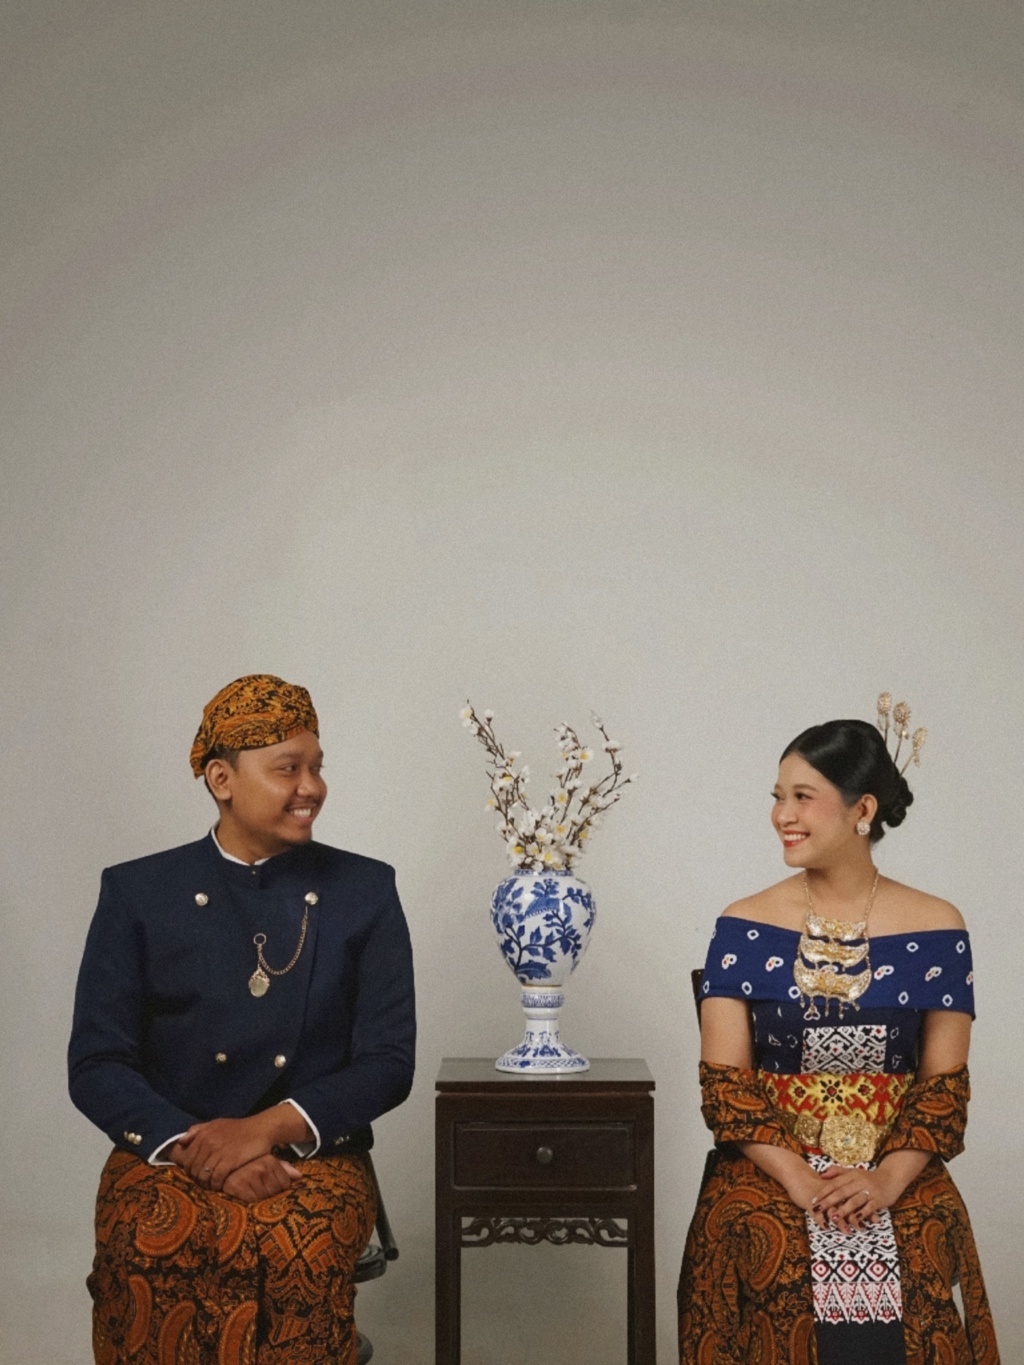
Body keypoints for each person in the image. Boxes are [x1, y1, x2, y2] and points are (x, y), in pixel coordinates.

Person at [68, 674, 416, 1364]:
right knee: (152, 1238)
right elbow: (97, 1062)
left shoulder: (366, 890)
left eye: (317, 766)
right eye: (288, 768)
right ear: (221, 779)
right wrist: (200, 1151)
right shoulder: (137, 891)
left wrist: (263, 1131)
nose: (312, 787)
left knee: (293, 1246)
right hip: (170, 1152)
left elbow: (387, 1062)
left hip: (312, 1158)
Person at [678, 708, 999, 1364]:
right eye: (778, 797)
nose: (782, 815)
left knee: (919, 1251)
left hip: (897, 1162)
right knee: (772, 1249)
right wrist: (800, 1179)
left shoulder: (938, 927)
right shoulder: (743, 926)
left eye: (803, 797)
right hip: (771, 1162)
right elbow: (726, 1089)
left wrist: (884, 1181)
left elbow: (943, 1091)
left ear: (863, 809)